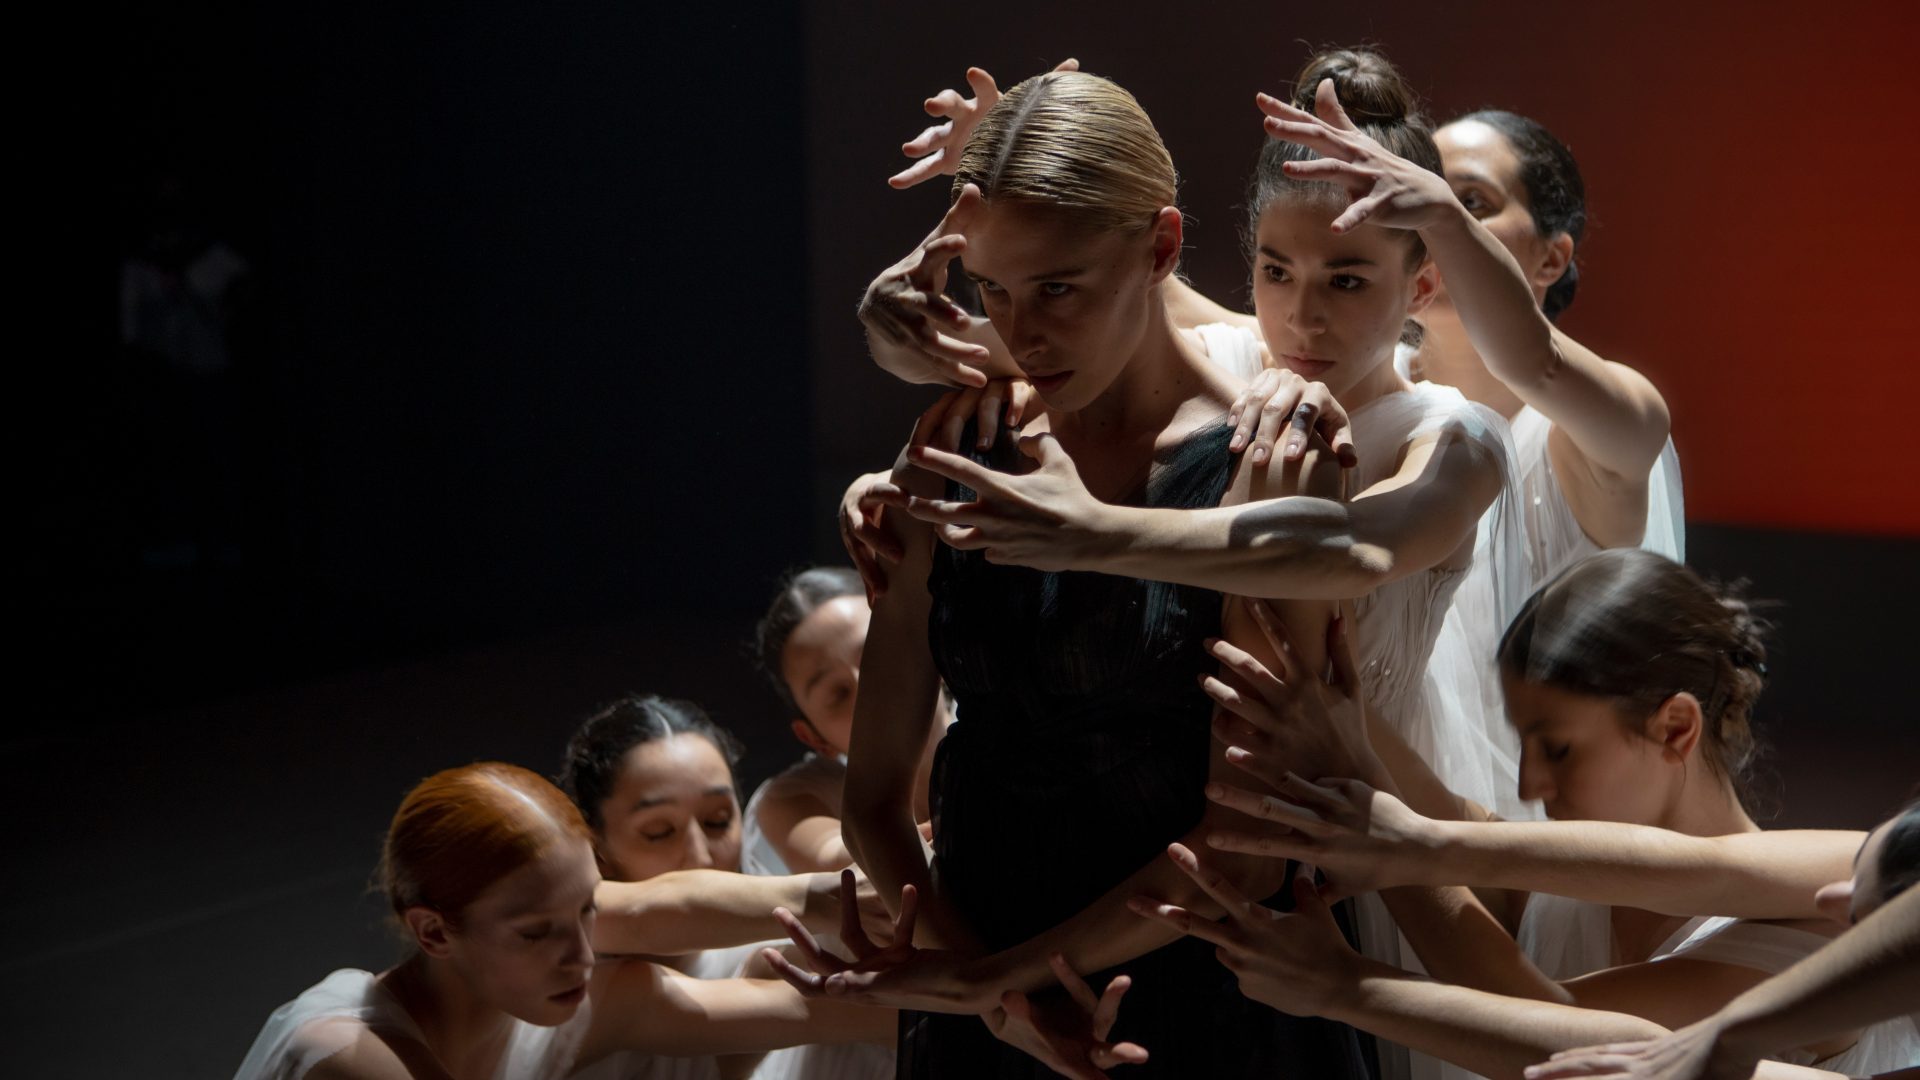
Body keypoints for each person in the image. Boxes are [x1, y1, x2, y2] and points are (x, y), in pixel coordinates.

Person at [791, 66, 1369, 1078]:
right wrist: (996, 995)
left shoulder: (1268, 460)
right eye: (993, 292)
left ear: (1162, 246)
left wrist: (1001, 984)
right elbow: (876, 798)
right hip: (985, 985)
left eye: (1059, 287)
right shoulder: (960, 446)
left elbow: (1249, 843)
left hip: (1201, 994)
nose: (1021, 332)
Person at [1140, 550, 1919, 1078]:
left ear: (1676, 727)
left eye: (1558, 749)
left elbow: (1544, 1035)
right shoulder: (1569, 867)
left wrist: (1347, 965)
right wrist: (1316, 683)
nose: (1529, 782)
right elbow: (1458, 836)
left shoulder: (1820, 929)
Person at [232, 762, 896, 1080]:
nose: (581, 952)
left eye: (586, 910)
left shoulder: (563, 995)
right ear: (433, 931)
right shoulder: (350, 1057)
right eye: (536, 931)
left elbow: (657, 907)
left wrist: (985, 986)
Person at [559, 693, 897, 1080]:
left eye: (718, 821)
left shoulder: (784, 950)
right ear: (596, 847)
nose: (700, 855)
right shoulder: (564, 945)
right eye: (659, 832)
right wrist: (831, 897)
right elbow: (647, 910)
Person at [742, 567, 948, 877]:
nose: (869, 689)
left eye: (876, 655)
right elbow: (834, 856)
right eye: (838, 693)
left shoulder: (1020, 718)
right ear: (814, 738)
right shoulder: (795, 796)